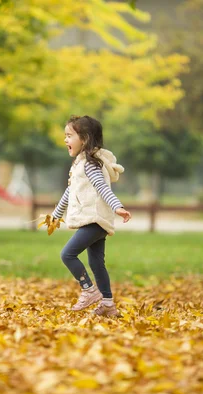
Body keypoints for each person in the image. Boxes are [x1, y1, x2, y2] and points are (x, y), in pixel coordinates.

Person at [51, 115, 131, 317]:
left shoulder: (90, 164)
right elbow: (70, 192)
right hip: (95, 221)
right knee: (96, 263)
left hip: (94, 220)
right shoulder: (80, 164)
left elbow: (102, 188)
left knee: (67, 254)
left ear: (84, 139)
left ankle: (89, 290)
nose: (65, 140)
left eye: (69, 136)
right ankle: (108, 304)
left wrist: (117, 207)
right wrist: (56, 214)